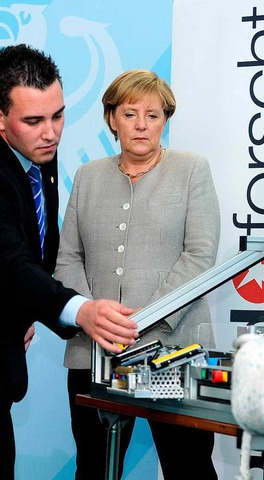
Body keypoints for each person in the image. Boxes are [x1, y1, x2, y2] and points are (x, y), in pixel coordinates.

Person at [55, 69, 221, 479]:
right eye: (130, 114)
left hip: (173, 352)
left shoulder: (191, 169)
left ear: (166, 119)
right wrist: (92, 316)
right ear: (111, 119)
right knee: (93, 467)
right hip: (94, 352)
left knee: (189, 467)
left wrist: (144, 318)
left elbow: (200, 255)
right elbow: (67, 258)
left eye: (153, 114)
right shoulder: (87, 176)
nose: (142, 125)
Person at [0, 45, 139, 480]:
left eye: (57, 115)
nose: (51, 133)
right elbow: (10, 261)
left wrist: (24, 311)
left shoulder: (38, 154)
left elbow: (40, 249)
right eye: (34, 121)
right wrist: (81, 310)